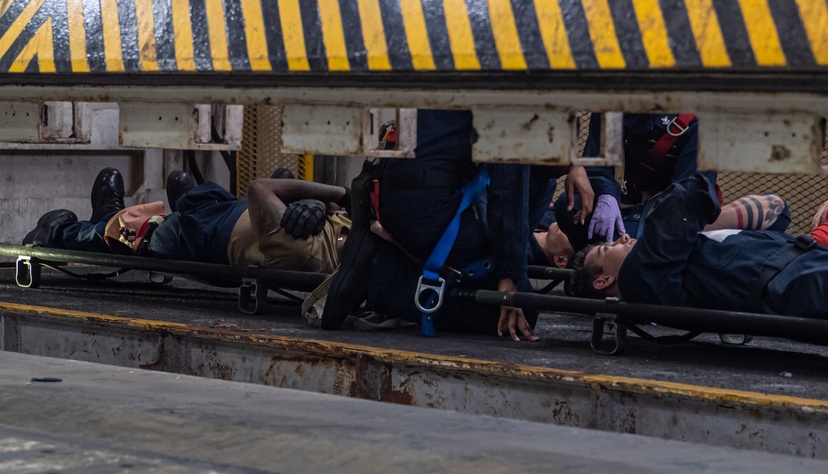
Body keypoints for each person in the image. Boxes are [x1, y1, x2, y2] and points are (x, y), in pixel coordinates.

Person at [569, 172, 828, 333]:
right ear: (605, 280)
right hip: (819, 285)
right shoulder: (644, 279)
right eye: (609, 246)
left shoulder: (677, 256)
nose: (624, 239)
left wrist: (710, 220)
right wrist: (709, 217)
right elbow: (683, 200)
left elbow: (777, 209)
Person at [325, 110, 538, 341]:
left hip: (391, 188)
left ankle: (391, 262)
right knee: (523, 304)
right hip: (425, 203)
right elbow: (507, 188)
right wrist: (511, 274)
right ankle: (382, 277)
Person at [22, 167, 350, 274]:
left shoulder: (305, 251)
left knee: (143, 234)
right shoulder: (349, 232)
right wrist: (318, 204)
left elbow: (260, 189)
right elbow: (338, 210)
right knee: (196, 198)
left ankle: (71, 230)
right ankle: (188, 203)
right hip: (226, 211)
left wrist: (336, 193)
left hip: (202, 236)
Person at [556, 113, 703, 250]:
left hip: (667, 209)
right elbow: (598, 161)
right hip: (628, 197)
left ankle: (613, 268)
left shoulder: (695, 120)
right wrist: (607, 195)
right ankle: (594, 267)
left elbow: (688, 193)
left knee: (628, 243)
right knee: (569, 205)